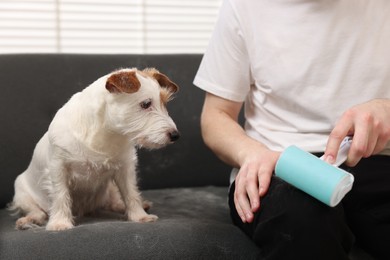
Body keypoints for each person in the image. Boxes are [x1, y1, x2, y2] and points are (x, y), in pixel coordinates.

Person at [193, 1, 390, 259]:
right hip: (279, 165)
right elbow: (215, 117)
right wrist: (252, 154)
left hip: (376, 159)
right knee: (302, 220)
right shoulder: (243, 7)